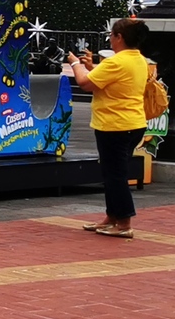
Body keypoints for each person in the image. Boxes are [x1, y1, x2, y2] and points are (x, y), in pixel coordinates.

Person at [66, 16, 155, 239]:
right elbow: (111, 80)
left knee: (115, 175)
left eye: (112, 35)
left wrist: (75, 64)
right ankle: (112, 217)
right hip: (132, 123)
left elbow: (85, 83)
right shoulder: (138, 59)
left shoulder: (116, 62)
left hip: (115, 125)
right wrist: (92, 67)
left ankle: (124, 222)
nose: (110, 39)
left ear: (119, 37)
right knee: (112, 172)